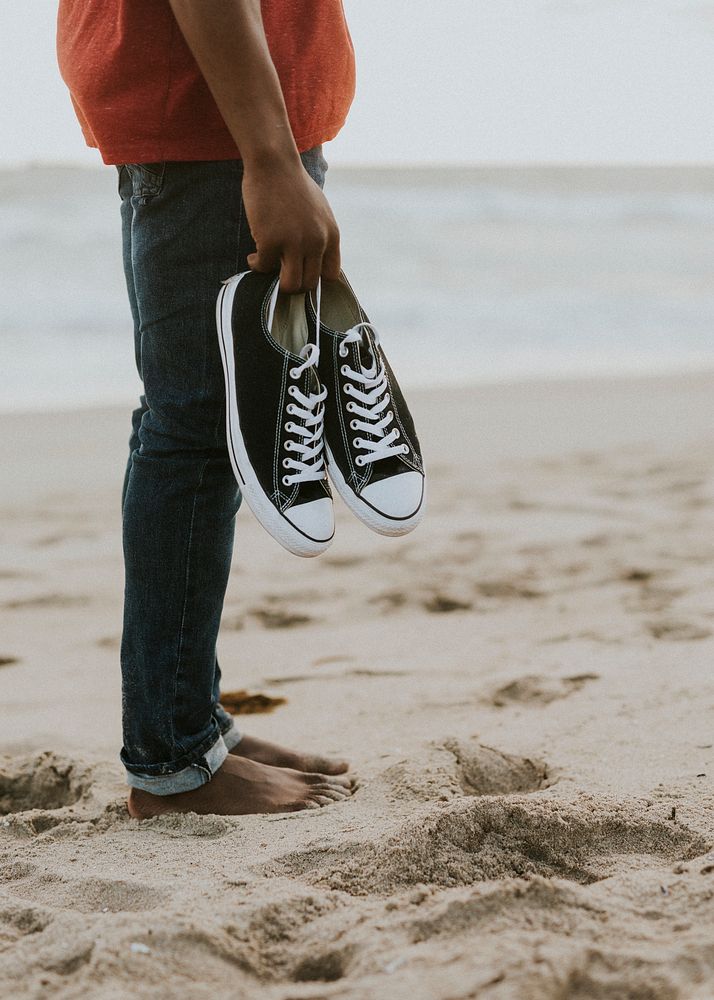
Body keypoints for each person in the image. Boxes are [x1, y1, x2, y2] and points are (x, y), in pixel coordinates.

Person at [56, 0, 358, 816]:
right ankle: (173, 754)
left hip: (215, 115)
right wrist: (268, 158)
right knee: (194, 428)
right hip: (218, 127)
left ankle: (191, 721)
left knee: (202, 424)